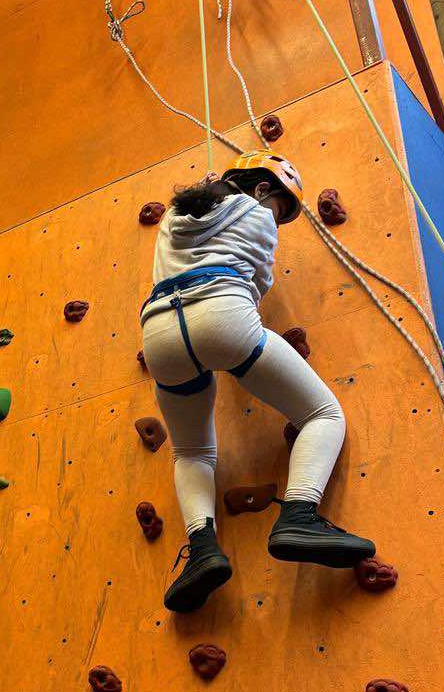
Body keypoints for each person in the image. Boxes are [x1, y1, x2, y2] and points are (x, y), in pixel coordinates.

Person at [139, 151, 375, 613]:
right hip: (222, 312)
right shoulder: (257, 214)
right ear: (262, 188)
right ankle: (300, 514)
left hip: (159, 333)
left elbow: (205, 205)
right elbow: (258, 284)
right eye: (279, 208)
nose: (277, 220)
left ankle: (202, 550)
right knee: (322, 414)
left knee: (191, 452)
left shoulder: (174, 215)